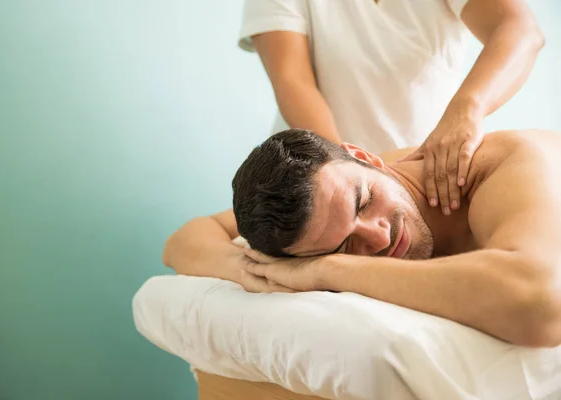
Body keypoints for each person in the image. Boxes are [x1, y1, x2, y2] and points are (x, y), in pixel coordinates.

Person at [163, 128, 561, 348]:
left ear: (365, 157)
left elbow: (542, 306)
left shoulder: (493, 167)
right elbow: (182, 241)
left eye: (364, 202)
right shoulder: (322, 206)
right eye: (345, 244)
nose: (379, 236)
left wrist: (332, 268)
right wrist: (251, 270)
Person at [238, 0, 544, 216]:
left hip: (423, 178)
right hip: (321, 183)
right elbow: (292, 80)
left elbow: (520, 30)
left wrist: (467, 111)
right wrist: (346, 172)